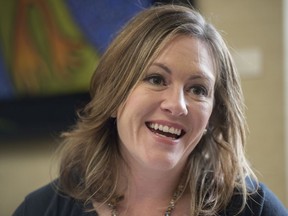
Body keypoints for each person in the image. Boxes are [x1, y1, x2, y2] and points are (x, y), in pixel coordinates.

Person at [13, 4, 287, 216]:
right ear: (114, 95)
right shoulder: (41, 209)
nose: (177, 105)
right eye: (156, 79)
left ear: (213, 115)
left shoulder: (253, 208)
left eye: (198, 89)